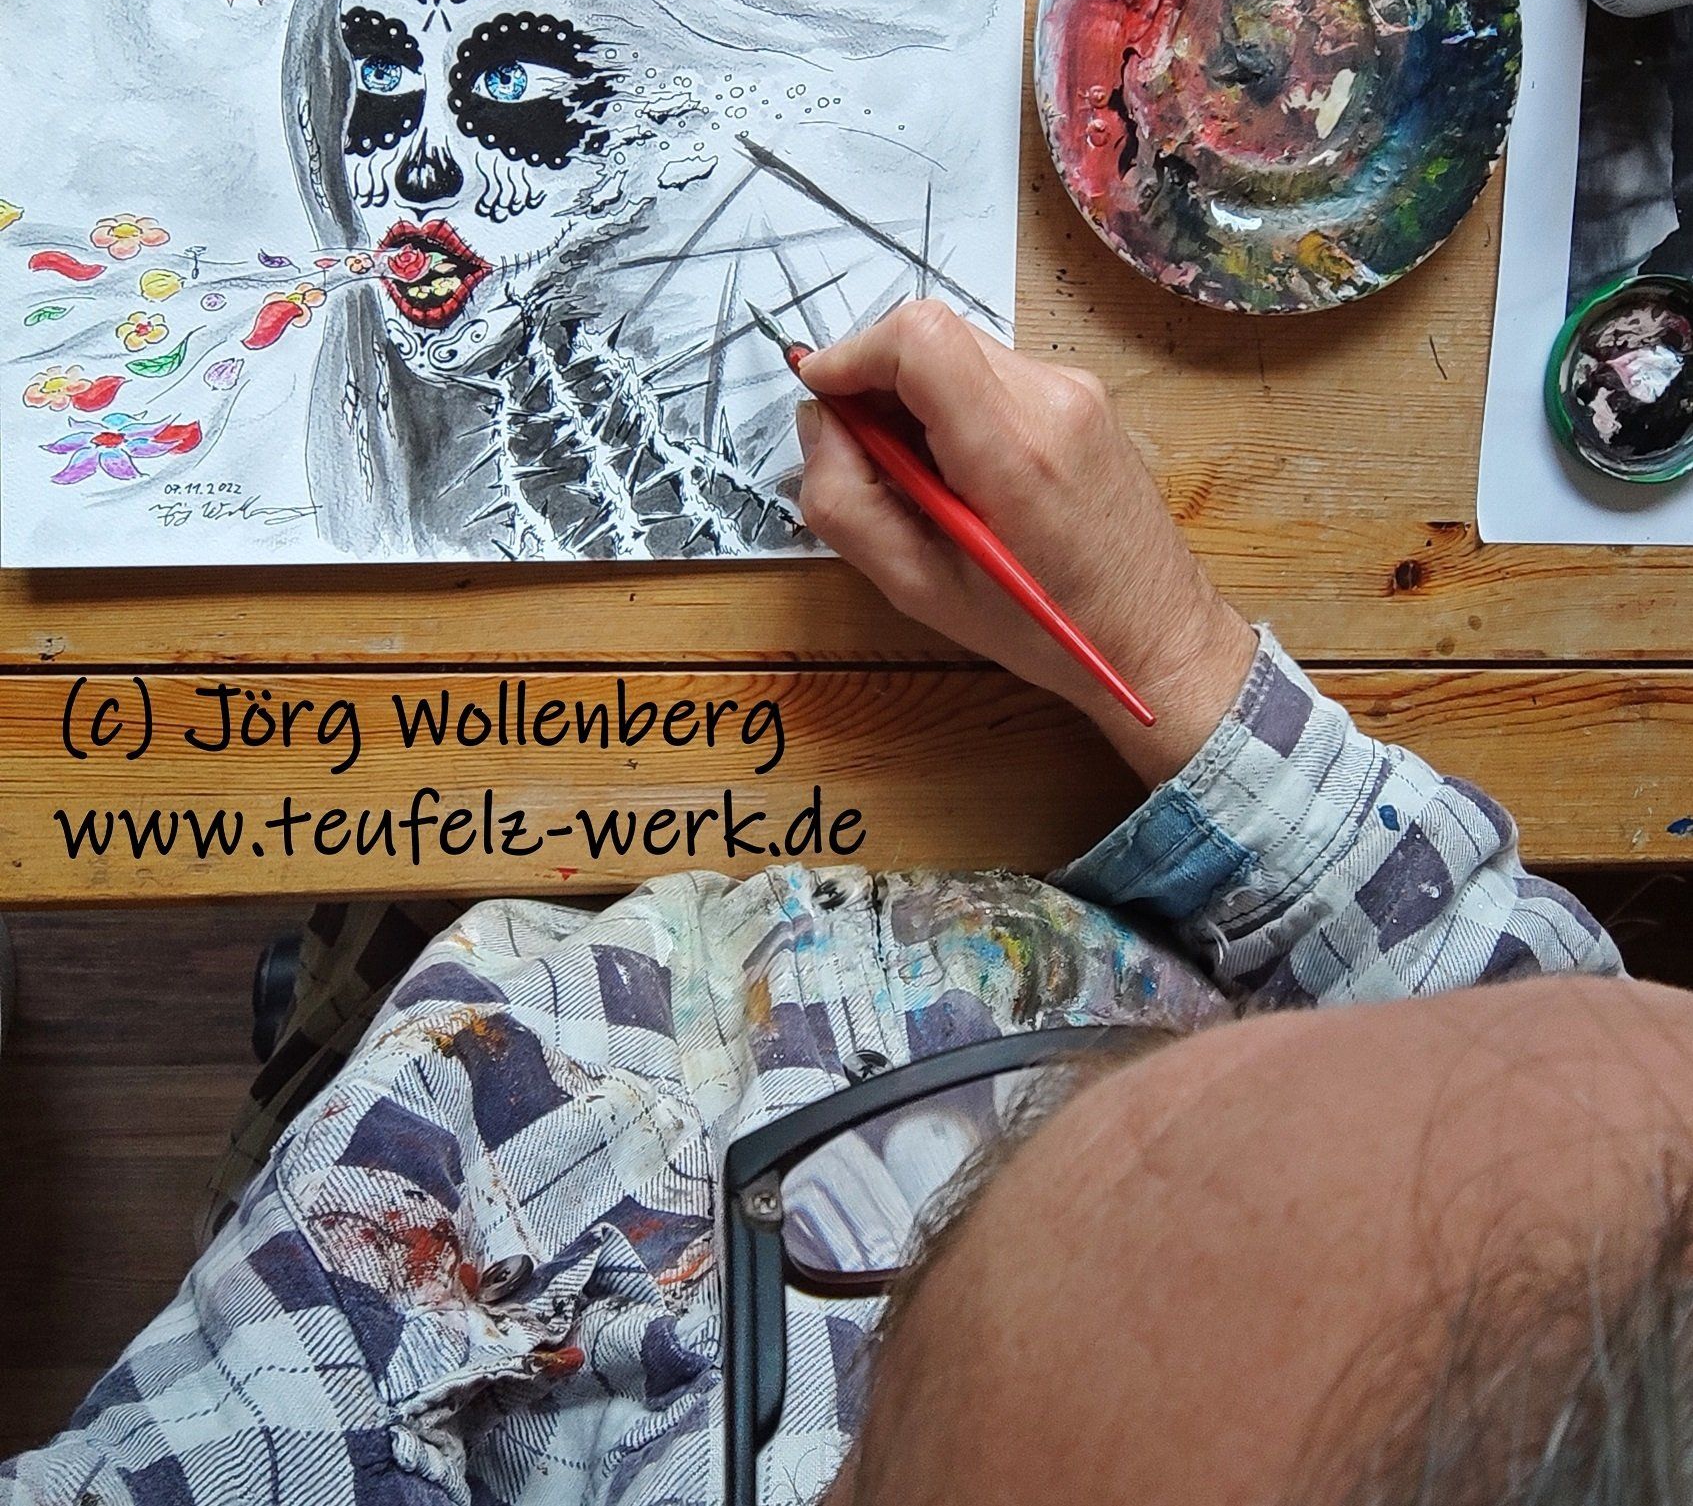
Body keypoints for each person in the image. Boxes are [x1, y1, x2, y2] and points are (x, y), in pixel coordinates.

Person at [0, 304, 1627, 1505]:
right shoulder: (1606, 1224)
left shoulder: (363, 1318)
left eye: (867, 1462)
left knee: (368, 942)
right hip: (1003, 813)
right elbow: (1536, 1019)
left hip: (506, 878)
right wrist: (1174, 654)